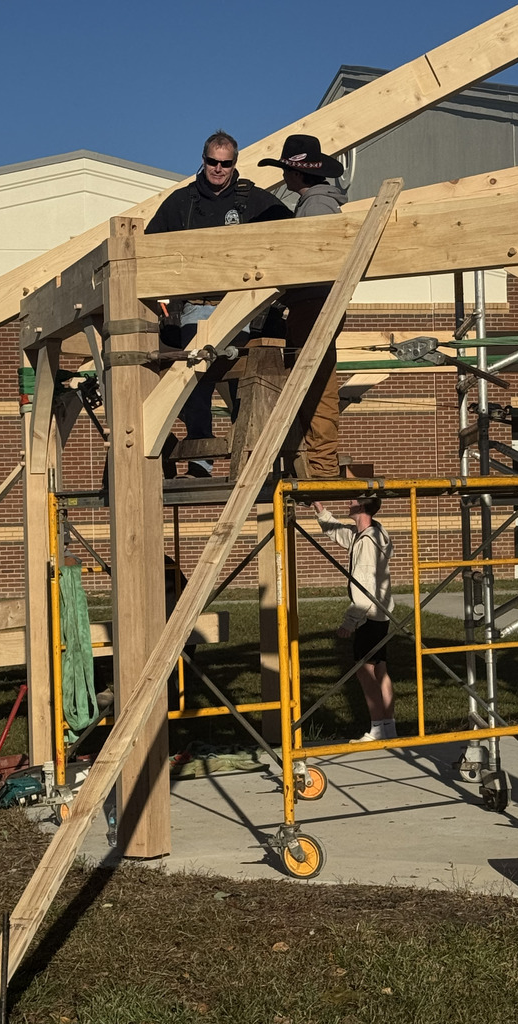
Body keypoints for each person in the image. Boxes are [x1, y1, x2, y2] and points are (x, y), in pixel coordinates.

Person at [146, 130, 291, 477]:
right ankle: (200, 457)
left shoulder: (254, 200)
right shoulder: (182, 202)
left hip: (242, 310)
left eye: (225, 164)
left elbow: (293, 234)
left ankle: (251, 457)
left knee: (243, 382)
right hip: (196, 306)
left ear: (234, 164)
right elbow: (148, 247)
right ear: (203, 159)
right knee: (193, 378)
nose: (218, 169)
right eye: (212, 162)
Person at [258, 135, 347, 478]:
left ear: (297, 174)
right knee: (312, 378)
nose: (284, 177)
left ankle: (322, 464)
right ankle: (317, 460)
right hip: (312, 301)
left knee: (317, 382)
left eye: (286, 170)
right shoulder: (316, 202)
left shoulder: (316, 207)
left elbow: (319, 257)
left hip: (315, 302)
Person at [312, 494, 396, 742]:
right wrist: (320, 508)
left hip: (369, 613)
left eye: (353, 500)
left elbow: (365, 585)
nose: (348, 501)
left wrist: (350, 622)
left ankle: (378, 727)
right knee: (379, 667)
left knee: (364, 670)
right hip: (380, 613)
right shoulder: (368, 534)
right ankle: (388, 726)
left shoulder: (367, 543)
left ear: (361, 507)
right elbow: (337, 532)